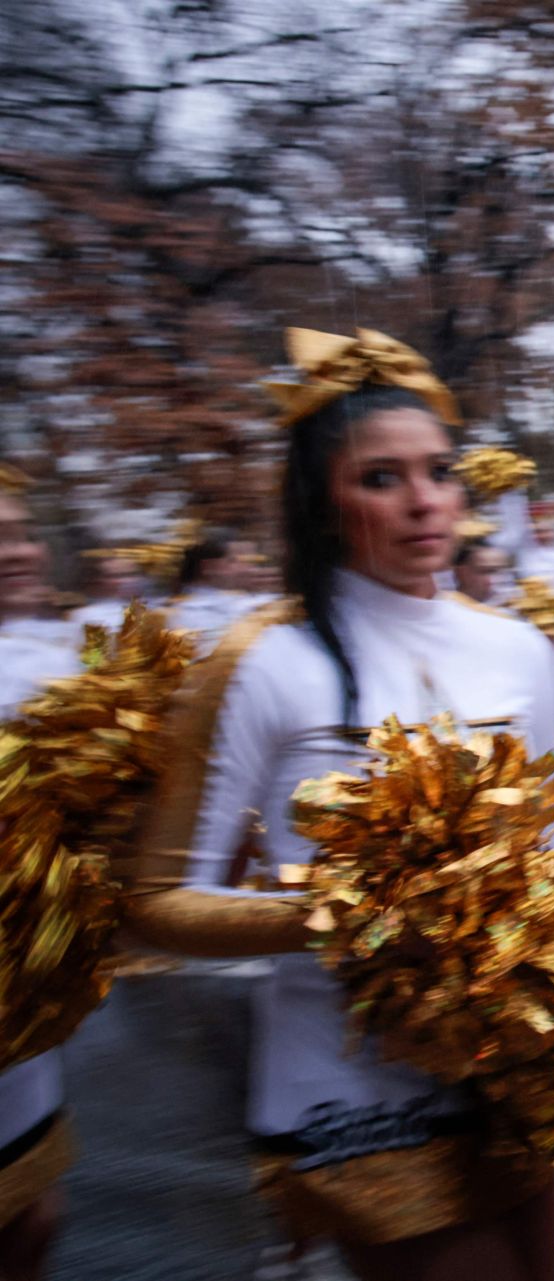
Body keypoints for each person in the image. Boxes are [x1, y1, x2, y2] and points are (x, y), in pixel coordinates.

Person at [127, 328, 554, 1281]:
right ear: (321, 503)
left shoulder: (520, 649)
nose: (424, 502)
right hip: (353, 1086)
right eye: (381, 478)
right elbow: (160, 900)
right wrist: (355, 920)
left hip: (509, 1070)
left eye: (440, 471)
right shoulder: (259, 661)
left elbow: (552, 857)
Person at [0, 470, 85, 1281]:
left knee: (32, 1215)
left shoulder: (46, 660)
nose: (18, 551)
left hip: (14, 990)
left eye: (21, 531)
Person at [168, 530, 274, 652]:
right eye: (232, 561)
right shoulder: (184, 614)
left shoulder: (233, 601)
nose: (246, 568)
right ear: (209, 567)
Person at [70, 550, 149, 630]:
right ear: (102, 580)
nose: (128, 581)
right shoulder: (86, 616)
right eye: (118, 576)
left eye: (133, 574)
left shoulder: (150, 612)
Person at [450, 539, 511, 607]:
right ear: (462, 573)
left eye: (502, 572)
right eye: (487, 571)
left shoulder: (515, 608)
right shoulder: (445, 608)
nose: (500, 579)